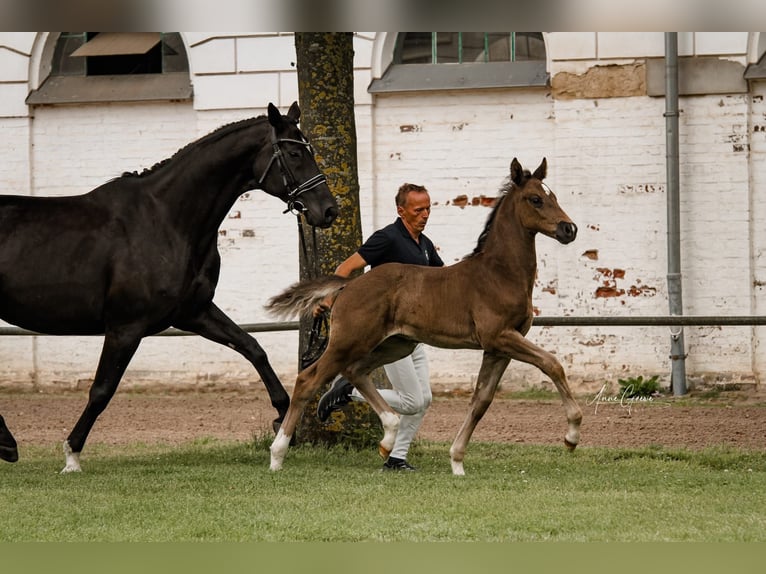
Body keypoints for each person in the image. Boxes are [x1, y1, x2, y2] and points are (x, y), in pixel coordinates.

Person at [315, 183, 444, 472]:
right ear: (401, 211)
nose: (425, 215)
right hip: (389, 333)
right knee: (412, 401)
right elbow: (347, 268)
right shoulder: (387, 238)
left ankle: (397, 459)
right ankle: (349, 390)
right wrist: (328, 297)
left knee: (424, 400)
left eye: (428, 208)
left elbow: (445, 278)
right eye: (418, 209)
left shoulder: (424, 245)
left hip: (416, 334)